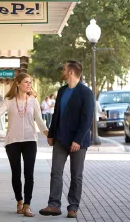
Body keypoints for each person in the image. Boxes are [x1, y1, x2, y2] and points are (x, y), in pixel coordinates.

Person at [39, 60, 94, 219]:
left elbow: (86, 119)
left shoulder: (86, 93)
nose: (62, 71)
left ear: (71, 72)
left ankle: (73, 207)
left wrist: (77, 140)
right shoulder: (62, 91)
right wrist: (51, 134)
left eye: (64, 69)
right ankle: (54, 205)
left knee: (76, 174)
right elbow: (56, 115)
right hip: (60, 139)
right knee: (56, 172)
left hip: (78, 141)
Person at [0, 73, 48, 217]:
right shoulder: (9, 101)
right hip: (12, 142)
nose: (29, 85)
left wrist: (48, 134)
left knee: (29, 174)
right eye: (26, 82)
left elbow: (39, 120)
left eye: (30, 82)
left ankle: (27, 205)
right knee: (16, 174)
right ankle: (19, 201)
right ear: (18, 83)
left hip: (30, 140)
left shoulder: (33, 100)